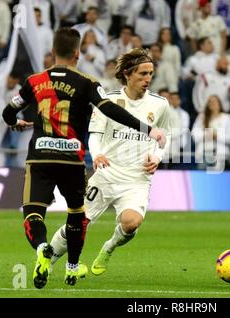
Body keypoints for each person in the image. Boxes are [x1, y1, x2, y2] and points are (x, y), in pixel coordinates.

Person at [1, 28, 166, 288]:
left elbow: (9, 109)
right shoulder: (86, 82)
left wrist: (15, 122)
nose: (147, 78)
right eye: (143, 73)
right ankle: (69, 266)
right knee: (77, 216)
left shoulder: (34, 81)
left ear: (53, 52)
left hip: (40, 158)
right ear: (77, 54)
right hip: (72, 160)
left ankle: (44, 249)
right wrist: (143, 129)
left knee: (33, 213)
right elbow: (108, 110)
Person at [49, 48, 171, 277]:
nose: (148, 79)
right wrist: (96, 155)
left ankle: (109, 247)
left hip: (137, 178)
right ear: (127, 74)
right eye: (143, 74)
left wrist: (157, 156)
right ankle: (49, 261)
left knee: (131, 222)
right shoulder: (108, 101)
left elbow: (166, 134)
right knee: (78, 223)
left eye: (151, 74)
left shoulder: (160, 104)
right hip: (107, 174)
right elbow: (94, 134)